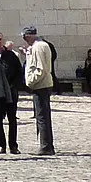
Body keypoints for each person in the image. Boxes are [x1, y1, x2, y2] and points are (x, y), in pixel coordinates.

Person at [22, 26, 56, 155]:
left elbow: (41, 69)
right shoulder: (41, 46)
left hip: (40, 85)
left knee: (42, 117)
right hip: (43, 84)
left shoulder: (38, 47)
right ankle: (47, 145)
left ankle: (46, 146)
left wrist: (30, 81)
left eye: (25, 37)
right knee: (43, 116)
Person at [0, 33, 23, 152]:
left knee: (12, 120)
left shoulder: (11, 56)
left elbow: (19, 72)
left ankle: (13, 145)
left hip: (11, 91)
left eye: (0, 39)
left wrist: (14, 87)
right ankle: (1, 145)